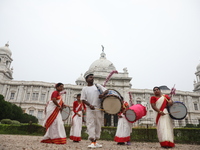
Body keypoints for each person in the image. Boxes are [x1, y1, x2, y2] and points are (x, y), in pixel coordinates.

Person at [81, 73, 108, 148]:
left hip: (98, 109)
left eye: (93, 77)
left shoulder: (97, 86)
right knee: (90, 124)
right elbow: (83, 99)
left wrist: (102, 94)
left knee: (98, 124)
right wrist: (89, 105)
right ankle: (92, 141)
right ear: (86, 79)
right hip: (90, 109)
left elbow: (107, 91)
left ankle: (95, 141)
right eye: (90, 77)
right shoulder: (84, 89)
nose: (92, 78)